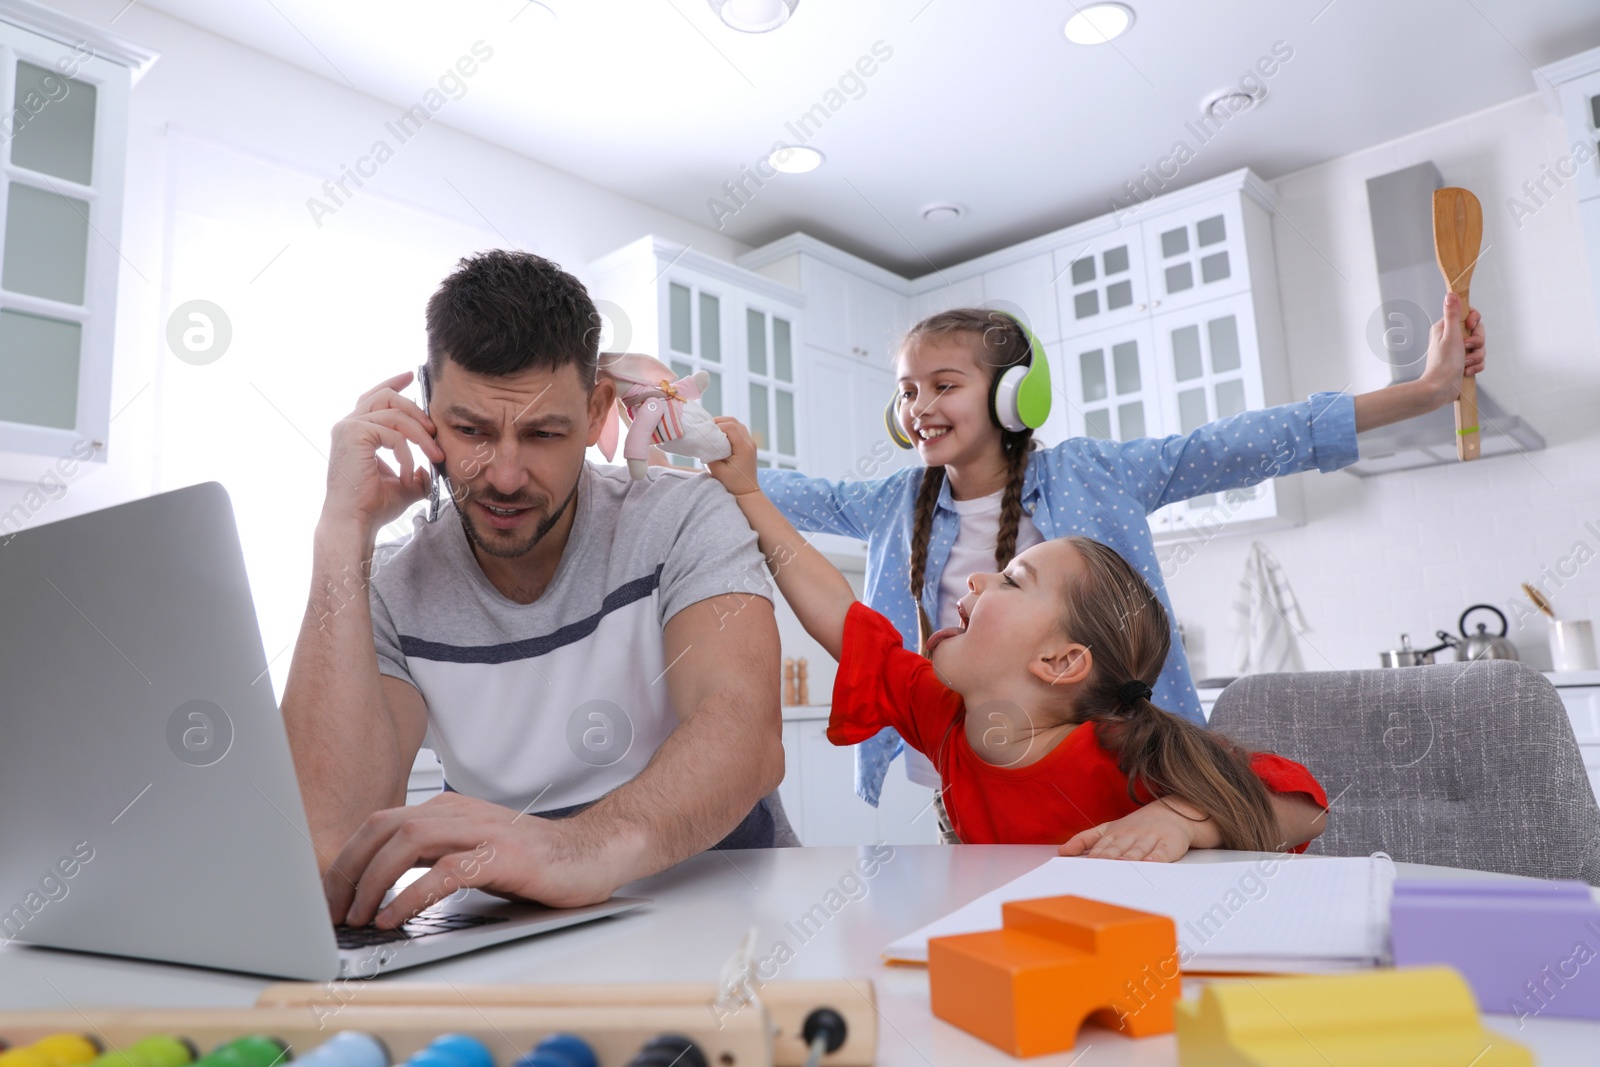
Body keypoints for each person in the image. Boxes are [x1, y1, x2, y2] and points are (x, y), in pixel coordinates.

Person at [743, 297, 1485, 831]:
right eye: (906, 391)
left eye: (943, 384)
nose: (918, 406)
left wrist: (1422, 392)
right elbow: (797, 509)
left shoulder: (1094, 473)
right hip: (959, 765)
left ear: (1011, 396)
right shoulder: (896, 502)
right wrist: (686, 456)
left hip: (1110, 761)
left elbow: (1243, 441)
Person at [280, 250, 792, 932]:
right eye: (471, 431)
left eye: (544, 433)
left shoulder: (683, 517)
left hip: (728, 912)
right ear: (426, 411)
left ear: (597, 410)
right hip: (512, 936)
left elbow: (745, 735)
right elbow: (326, 858)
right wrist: (341, 535)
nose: (507, 474)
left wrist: (576, 847)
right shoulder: (394, 590)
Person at [706, 416, 1326, 856]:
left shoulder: (1125, 754)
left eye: (1012, 579)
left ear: (1059, 661)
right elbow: (842, 615)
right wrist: (746, 492)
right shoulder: (944, 716)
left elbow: (1306, 801)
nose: (976, 578)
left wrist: (1185, 819)